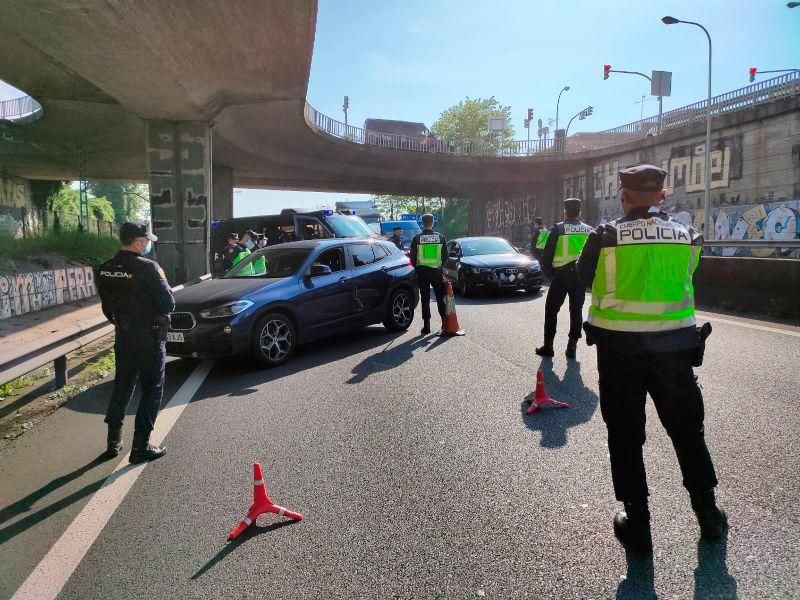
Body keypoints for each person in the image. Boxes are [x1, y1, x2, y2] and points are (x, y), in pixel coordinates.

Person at [577, 164, 726, 553]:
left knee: (625, 437)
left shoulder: (605, 236)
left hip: (620, 353)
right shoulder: (689, 236)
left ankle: (637, 526)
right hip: (675, 351)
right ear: (663, 195)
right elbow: (691, 276)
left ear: (622, 197)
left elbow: (584, 277)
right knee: (687, 432)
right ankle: (709, 516)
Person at [96, 222, 175, 464]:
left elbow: (107, 307)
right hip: (150, 337)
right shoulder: (149, 267)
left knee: (123, 384)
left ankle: (113, 441)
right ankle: (140, 446)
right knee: (152, 389)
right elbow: (168, 304)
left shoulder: (104, 268)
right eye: (147, 241)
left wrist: (123, 322)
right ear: (139, 242)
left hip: (124, 334)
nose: (148, 244)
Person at [536, 198, 593, 359]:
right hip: (579, 277)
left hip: (561, 275)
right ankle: (572, 347)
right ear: (579, 212)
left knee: (551, 310)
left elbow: (547, 255)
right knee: (576, 310)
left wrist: (550, 275)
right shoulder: (589, 230)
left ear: (565, 212)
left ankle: (548, 347)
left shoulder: (559, 229)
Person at [410, 214, 447, 335]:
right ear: (433, 222)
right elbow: (445, 257)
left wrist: (419, 268)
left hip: (423, 272)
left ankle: (426, 326)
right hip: (437, 271)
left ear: (422, 223)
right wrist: (439, 266)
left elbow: (412, 258)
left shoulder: (417, 238)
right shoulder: (440, 237)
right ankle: (444, 323)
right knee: (440, 297)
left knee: (425, 299)